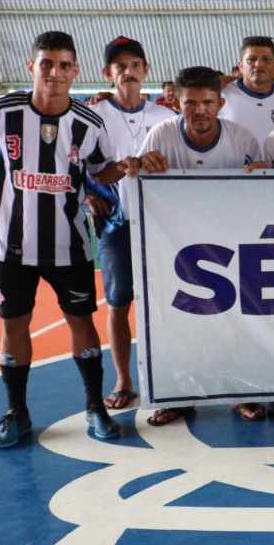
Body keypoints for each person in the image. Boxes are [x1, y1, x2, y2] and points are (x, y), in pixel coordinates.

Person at [0, 31, 131, 448]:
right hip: (10, 247)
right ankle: (16, 413)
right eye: (46, 64)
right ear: (31, 67)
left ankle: (95, 407)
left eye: (63, 65)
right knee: (13, 325)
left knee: (81, 322)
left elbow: (98, 172)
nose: (55, 73)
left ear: (75, 71)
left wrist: (123, 167)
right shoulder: (2, 111)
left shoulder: (88, 123)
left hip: (68, 247)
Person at [134, 65, 267, 423]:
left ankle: (240, 392)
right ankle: (178, 395)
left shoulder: (243, 140)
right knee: (177, 322)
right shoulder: (159, 136)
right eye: (191, 103)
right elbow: (137, 186)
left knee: (237, 321)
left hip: (229, 246)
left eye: (207, 102)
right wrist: (140, 164)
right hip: (175, 246)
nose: (200, 110)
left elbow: (262, 195)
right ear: (177, 103)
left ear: (221, 102)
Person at [85, 37, 174, 410]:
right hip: (117, 223)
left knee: (170, 303)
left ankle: (172, 381)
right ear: (108, 73)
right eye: (119, 66)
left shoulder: (166, 117)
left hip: (161, 225)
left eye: (135, 64)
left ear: (146, 69)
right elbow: (82, 167)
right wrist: (90, 191)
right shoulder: (94, 115)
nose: (128, 71)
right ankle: (123, 381)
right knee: (118, 303)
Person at [220, 36, 274, 144]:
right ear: (241, 66)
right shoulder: (222, 95)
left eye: (266, 59)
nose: (259, 64)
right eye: (251, 60)